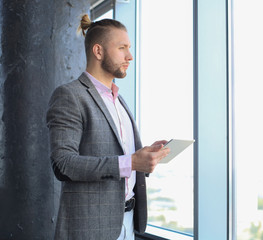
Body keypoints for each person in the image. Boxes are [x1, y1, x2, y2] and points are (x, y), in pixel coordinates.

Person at [46, 14, 170, 240]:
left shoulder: (119, 101)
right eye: (122, 48)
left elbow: (118, 159)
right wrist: (131, 162)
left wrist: (144, 158)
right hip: (90, 228)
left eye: (129, 48)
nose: (130, 56)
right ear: (98, 51)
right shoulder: (70, 96)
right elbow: (63, 164)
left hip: (128, 223)